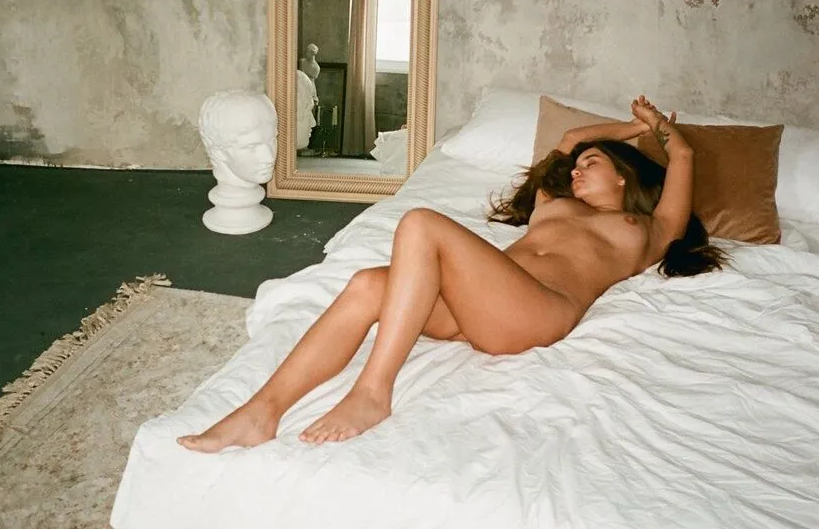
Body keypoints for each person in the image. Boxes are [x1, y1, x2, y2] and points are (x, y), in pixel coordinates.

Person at [179, 95, 725, 453]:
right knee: (368, 284)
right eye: (578, 167)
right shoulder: (554, 202)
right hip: (479, 308)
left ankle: (373, 390)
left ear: (624, 177)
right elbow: (568, 141)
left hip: (537, 313)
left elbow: (683, 159)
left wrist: (657, 128)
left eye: (593, 164)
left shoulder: (647, 229)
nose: (577, 171)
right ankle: (261, 412)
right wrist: (626, 127)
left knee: (421, 225)